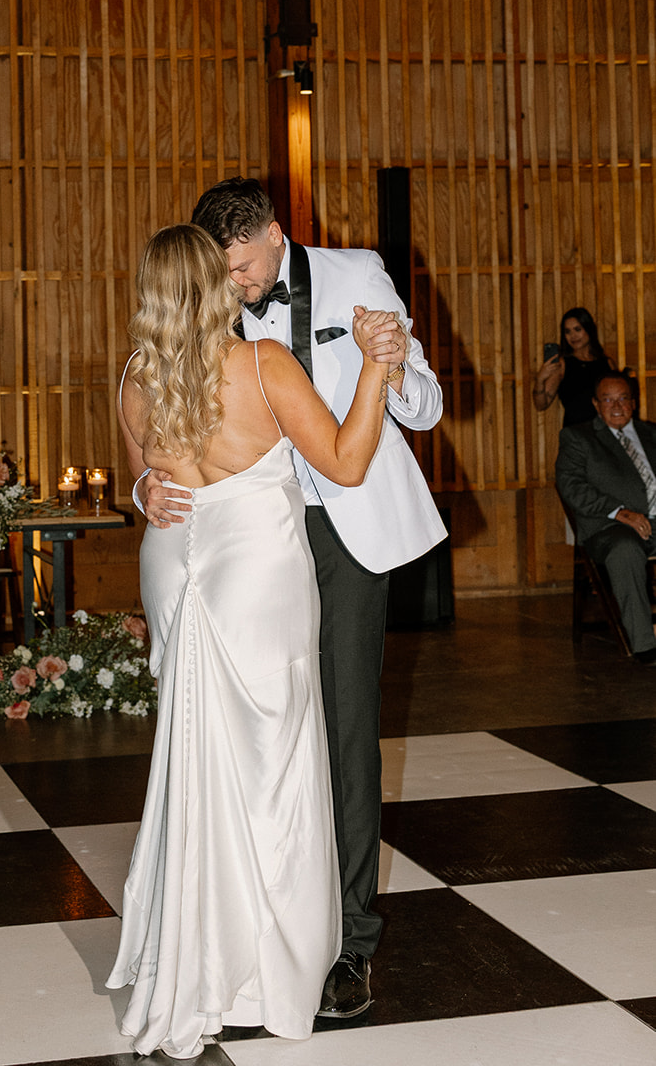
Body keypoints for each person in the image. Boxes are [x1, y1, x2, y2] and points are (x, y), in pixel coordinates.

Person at [137, 178, 446, 1021]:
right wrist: (144, 485)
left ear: (276, 235)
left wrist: (392, 356)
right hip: (246, 538)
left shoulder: (356, 275)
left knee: (341, 730)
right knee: (244, 734)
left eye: (244, 267)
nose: (236, 287)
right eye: (223, 272)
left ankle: (348, 944)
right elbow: (167, 404)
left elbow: (424, 404)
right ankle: (244, 927)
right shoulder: (207, 290)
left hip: (342, 530)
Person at [108, 224, 395, 1058]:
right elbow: (343, 465)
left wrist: (140, 488)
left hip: (172, 561)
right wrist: (377, 370)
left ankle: (193, 947)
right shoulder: (264, 365)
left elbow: (144, 485)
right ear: (214, 285)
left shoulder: (133, 375)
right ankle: (264, 963)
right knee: (271, 761)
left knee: (194, 749)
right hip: (256, 569)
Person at [555, 374, 656, 666]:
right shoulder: (578, 438)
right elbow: (571, 486)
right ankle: (645, 645)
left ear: (633, 403)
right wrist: (620, 511)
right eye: (608, 399)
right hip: (609, 528)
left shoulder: (651, 435)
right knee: (625, 550)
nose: (616, 406)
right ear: (596, 404)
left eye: (623, 398)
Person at [532, 307, 617, 428]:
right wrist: (540, 379)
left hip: (605, 434)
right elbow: (541, 405)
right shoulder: (562, 364)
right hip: (575, 437)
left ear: (589, 329)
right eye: (567, 331)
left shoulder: (607, 363)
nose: (573, 336)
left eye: (577, 329)